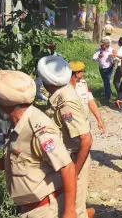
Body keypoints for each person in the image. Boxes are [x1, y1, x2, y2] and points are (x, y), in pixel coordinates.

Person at [0, 70, 77, 218]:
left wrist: (70, 212)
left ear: (4, 104)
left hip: (46, 210)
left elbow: (67, 167)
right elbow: (24, 160)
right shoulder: (17, 124)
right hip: (31, 209)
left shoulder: (39, 129)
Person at [37, 55, 94, 218]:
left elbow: (86, 139)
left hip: (73, 159)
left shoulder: (65, 102)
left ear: (46, 81)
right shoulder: (60, 95)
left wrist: (74, 171)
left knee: (74, 210)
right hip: (64, 160)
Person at [69, 61, 106, 133]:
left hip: (84, 123)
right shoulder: (64, 87)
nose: (83, 73)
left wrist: (99, 120)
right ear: (77, 73)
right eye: (83, 71)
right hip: (71, 125)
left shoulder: (83, 84)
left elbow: (91, 102)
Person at [92, 38, 116, 104]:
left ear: (106, 45)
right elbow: (93, 58)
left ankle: (107, 97)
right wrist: (99, 57)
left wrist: (113, 56)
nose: (101, 46)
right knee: (105, 81)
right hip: (101, 68)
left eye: (102, 45)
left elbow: (116, 57)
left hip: (109, 68)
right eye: (101, 45)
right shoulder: (99, 50)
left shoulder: (111, 50)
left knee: (106, 82)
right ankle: (109, 93)